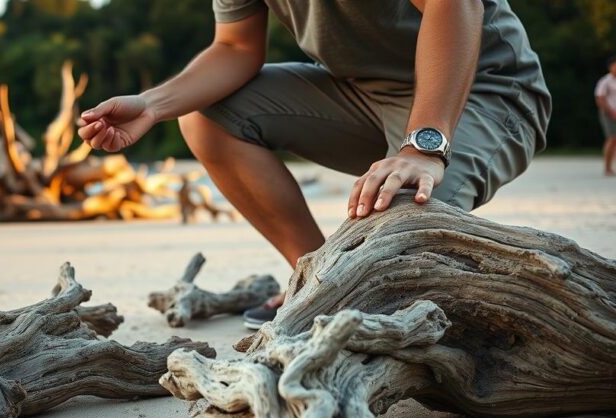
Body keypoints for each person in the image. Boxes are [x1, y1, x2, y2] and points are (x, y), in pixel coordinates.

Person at [78, 0, 551, 329]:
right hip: (361, 94)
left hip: (485, 92)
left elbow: (454, 6)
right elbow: (236, 48)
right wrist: (153, 104)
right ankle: (315, 279)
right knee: (204, 118)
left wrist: (423, 147)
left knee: (397, 242)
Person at [596, 55, 616, 177]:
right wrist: (611, 112)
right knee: (612, 138)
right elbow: (600, 98)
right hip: (609, 113)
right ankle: (607, 167)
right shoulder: (605, 81)